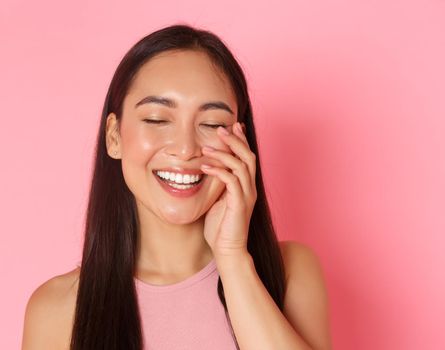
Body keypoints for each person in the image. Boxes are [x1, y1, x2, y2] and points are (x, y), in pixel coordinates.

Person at [21, 24, 331, 350]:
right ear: (114, 136)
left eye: (212, 124)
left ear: (241, 142)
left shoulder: (290, 271)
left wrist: (233, 258)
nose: (185, 149)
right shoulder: (57, 310)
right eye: (157, 119)